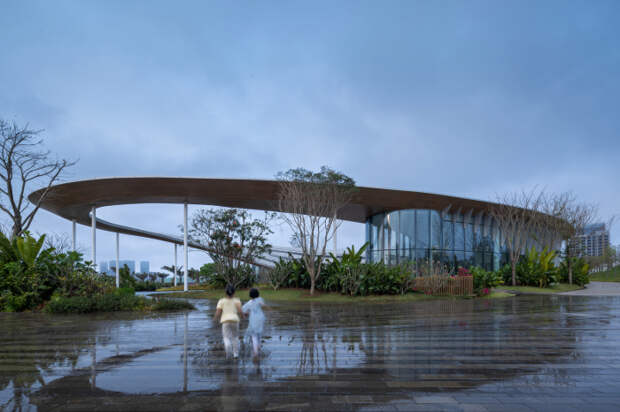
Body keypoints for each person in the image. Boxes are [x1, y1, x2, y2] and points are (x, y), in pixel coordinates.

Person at [213, 285, 244, 358]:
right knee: (235, 337)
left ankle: (228, 349)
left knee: (226, 337)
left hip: (225, 321)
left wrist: (215, 318)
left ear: (225, 293)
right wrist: (243, 316)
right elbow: (240, 310)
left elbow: (218, 312)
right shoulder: (237, 300)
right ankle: (236, 354)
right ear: (234, 293)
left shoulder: (221, 301)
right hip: (235, 320)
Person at [242, 288, 266, 358]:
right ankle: (258, 346)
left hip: (253, 320)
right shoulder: (260, 299)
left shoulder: (249, 303)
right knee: (259, 334)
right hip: (261, 319)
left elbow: (244, 311)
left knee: (254, 336)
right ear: (258, 294)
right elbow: (262, 305)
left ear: (250, 295)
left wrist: (246, 314)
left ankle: (255, 352)